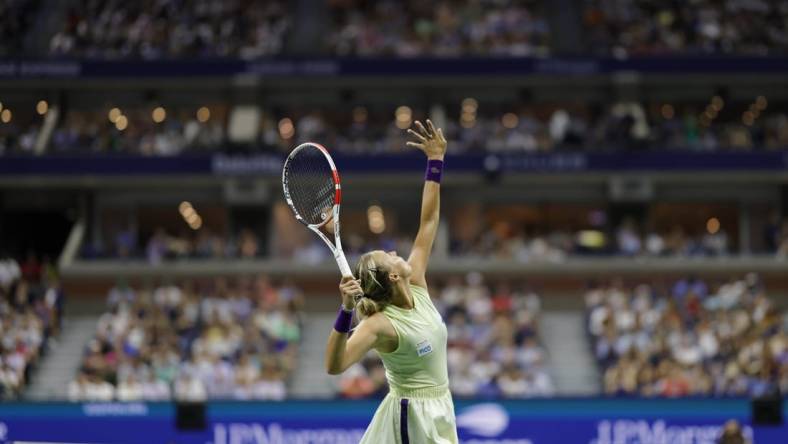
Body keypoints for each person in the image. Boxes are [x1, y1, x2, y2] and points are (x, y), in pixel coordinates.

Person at [325, 119, 457, 443]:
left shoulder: (418, 284)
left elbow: (428, 223)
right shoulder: (380, 325)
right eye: (391, 255)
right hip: (410, 414)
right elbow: (335, 365)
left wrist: (435, 162)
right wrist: (345, 310)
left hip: (441, 405)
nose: (397, 252)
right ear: (394, 275)